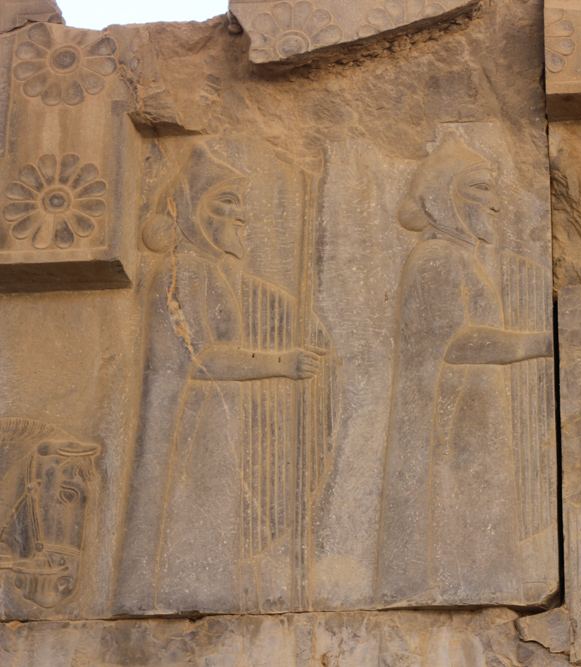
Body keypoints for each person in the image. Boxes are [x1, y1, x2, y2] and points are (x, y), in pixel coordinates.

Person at [113, 144, 323, 614]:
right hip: (190, 425)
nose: (240, 214)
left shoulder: (204, 270)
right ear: (192, 212)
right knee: (189, 523)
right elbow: (199, 357)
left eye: (238, 201)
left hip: (209, 424)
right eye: (225, 202)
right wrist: (279, 362)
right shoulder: (184, 268)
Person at [375, 132, 553, 607]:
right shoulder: (436, 258)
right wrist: (542, 342)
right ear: (443, 198)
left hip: (470, 416)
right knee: (456, 503)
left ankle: (481, 580)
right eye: (480, 188)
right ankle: (462, 582)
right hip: (448, 420)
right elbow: (459, 342)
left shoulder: (462, 259)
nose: (496, 203)